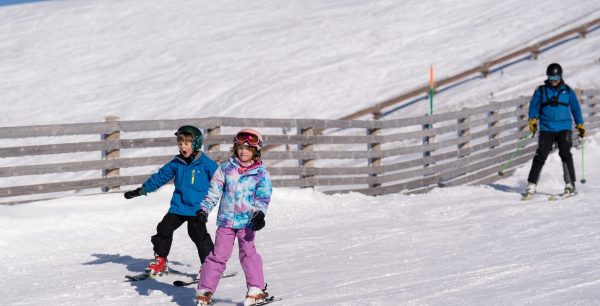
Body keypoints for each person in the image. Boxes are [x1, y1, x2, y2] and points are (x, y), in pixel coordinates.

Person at [123, 125, 218, 276]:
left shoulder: (206, 164)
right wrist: (142, 190)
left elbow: (221, 180)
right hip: (178, 206)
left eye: (187, 143)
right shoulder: (176, 162)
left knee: (197, 234)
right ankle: (160, 260)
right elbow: (160, 177)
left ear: (196, 144)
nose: (182, 146)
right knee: (164, 228)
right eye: (180, 143)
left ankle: (210, 266)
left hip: (197, 208)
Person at [194, 129, 273, 306]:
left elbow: (263, 196)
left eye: (248, 148)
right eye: (240, 147)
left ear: (255, 151)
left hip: (247, 222)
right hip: (226, 222)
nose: (243, 151)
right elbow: (213, 193)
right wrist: (203, 210)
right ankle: (204, 291)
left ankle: (256, 289)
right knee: (218, 256)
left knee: (248, 254)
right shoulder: (226, 169)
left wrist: (259, 214)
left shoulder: (261, 173)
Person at [523, 63, 586, 198]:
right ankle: (531, 184)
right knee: (541, 155)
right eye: (551, 78)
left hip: (564, 128)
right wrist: (532, 120)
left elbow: (575, 108)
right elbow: (533, 106)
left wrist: (580, 124)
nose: (554, 81)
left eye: (556, 78)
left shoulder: (568, 91)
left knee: (565, 153)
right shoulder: (541, 90)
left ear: (561, 77)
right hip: (547, 128)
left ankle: (570, 184)